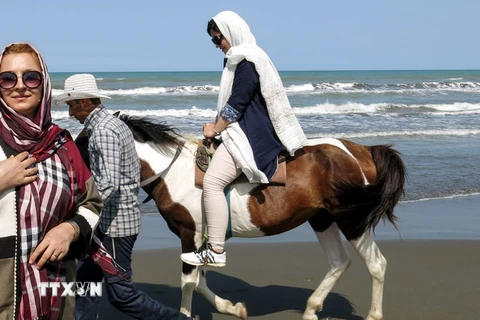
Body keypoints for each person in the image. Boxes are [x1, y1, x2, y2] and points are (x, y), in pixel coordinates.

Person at [54, 74, 193, 320]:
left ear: (85, 101)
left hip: (115, 227)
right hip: (111, 223)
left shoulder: (103, 131)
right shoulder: (112, 124)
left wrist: (75, 206)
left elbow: (108, 185)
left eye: (71, 104)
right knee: (87, 279)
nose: (69, 112)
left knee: (122, 296)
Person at [180, 11, 306, 267]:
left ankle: (215, 249)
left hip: (251, 136)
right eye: (214, 41)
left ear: (232, 33)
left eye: (219, 39)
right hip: (247, 128)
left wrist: (214, 130)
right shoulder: (243, 58)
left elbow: (236, 105)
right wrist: (216, 125)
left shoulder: (246, 61)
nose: (218, 45)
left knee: (213, 183)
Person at [0, 43, 103, 319]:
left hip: (55, 289)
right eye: (8, 78)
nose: (20, 85)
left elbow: (92, 203)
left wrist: (69, 230)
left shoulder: (62, 146)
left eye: (30, 76)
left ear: (43, 83)